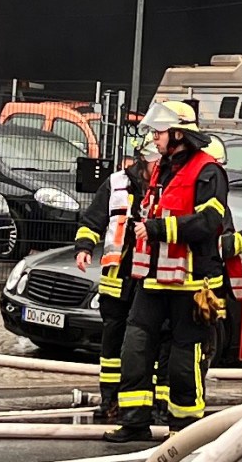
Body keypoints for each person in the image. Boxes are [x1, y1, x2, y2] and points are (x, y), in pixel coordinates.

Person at [105, 101, 229, 443]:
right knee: (135, 347)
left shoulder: (208, 171)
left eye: (160, 132)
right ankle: (134, 422)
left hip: (192, 282)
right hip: (154, 278)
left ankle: (184, 429)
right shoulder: (162, 169)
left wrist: (157, 229)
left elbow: (209, 222)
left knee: (183, 358)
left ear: (178, 134)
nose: (155, 138)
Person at [74, 135, 160, 423]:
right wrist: (84, 248)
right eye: (155, 161)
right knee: (112, 347)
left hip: (149, 277)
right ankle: (110, 400)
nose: (159, 165)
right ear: (143, 159)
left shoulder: (166, 185)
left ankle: (146, 404)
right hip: (118, 279)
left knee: (147, 343)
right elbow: (92, 221)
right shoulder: (116, 183)